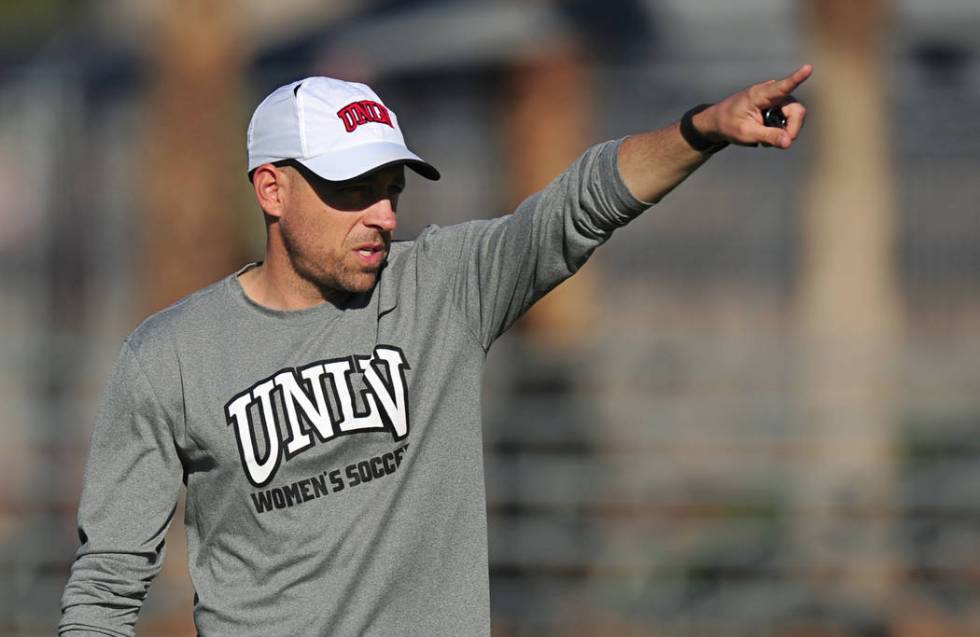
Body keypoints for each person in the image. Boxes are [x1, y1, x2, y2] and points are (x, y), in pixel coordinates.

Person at [60, 67, 811, 635]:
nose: (383, 214)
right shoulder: (170, 357)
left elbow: (579, 206)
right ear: (271, 189)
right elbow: (106, 585)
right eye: (353, 189)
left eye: (393, 188)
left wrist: (705, 128)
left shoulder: (445, 289)